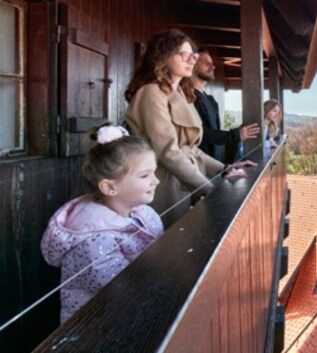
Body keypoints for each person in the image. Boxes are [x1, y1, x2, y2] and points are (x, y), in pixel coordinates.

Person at [124, 29, 252, 227]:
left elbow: (191, 149)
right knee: (168, 243)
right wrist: (208, 188)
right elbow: (168, 151)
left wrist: (225, 169)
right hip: (162, 184)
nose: (191, 59)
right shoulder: (150, 93)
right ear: (162, 57)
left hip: (186, 180)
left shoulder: (184, 94)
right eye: (184, 54)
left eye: (193, 55)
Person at [41, 127, 164, 323]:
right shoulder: (93, 241)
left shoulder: (144, 213)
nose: (156, 181)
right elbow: (123, 292)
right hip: (98, 328)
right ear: (109, 187)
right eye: (144, 175)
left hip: (131, 317)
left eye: (154, 172)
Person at [191, 48, 259, 162]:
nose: (212, 67)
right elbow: (199, 132)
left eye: (212, 64)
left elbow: (214, 132)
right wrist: (235, 136)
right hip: (198, 163)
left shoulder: (210, 100)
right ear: (192, 65)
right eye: (206, 63)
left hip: (214, 163)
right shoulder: (189, 97)